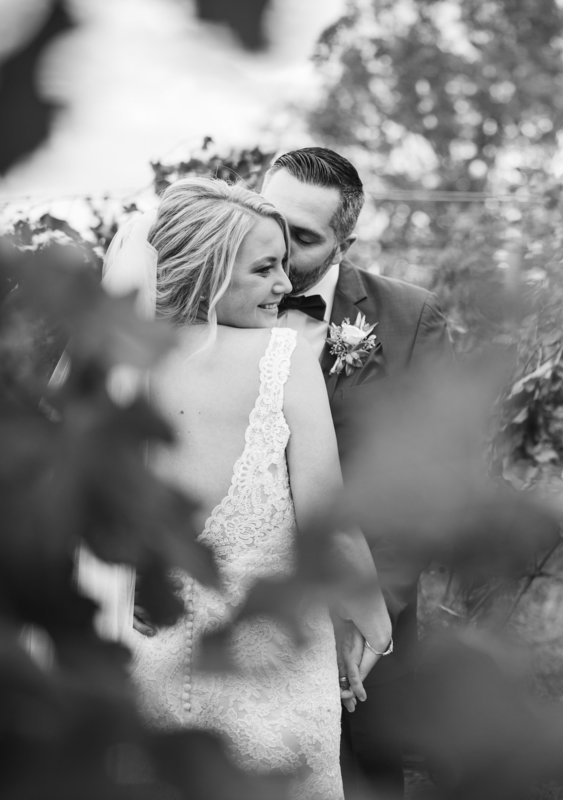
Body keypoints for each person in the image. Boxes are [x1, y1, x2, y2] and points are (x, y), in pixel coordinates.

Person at [99, 177, 392, 800]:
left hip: (144, 669)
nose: (287, 285)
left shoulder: (111, 368)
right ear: (207, 270)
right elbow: (327, 523)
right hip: (272, 672)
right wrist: (375, 623)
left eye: (286, 263)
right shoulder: (280, 359)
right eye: (265, 268)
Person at [260, 147, 452, 799]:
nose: (277, 247)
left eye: (304, 236)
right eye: (269, 218)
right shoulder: (204, 304)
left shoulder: (407, 318)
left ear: (347, 239)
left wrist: (372, 608)